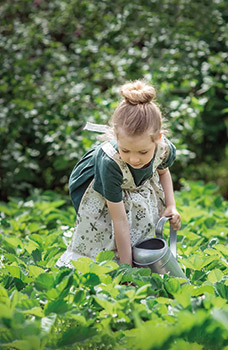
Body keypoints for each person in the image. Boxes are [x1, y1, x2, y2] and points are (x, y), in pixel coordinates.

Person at [56, 80, 181, 268]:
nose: (134, 159)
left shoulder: (164, 149)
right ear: (115, 137)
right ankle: (116, 265)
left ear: (158, 139)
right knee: (104, 236)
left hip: (134, 182)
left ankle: (139, 260)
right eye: (126, 150)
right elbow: (119, 219)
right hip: (101, 186)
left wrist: (171, 205)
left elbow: (163, 172)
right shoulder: (109, 162)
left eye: (143, 152)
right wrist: (126, 269)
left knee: (140, 220)